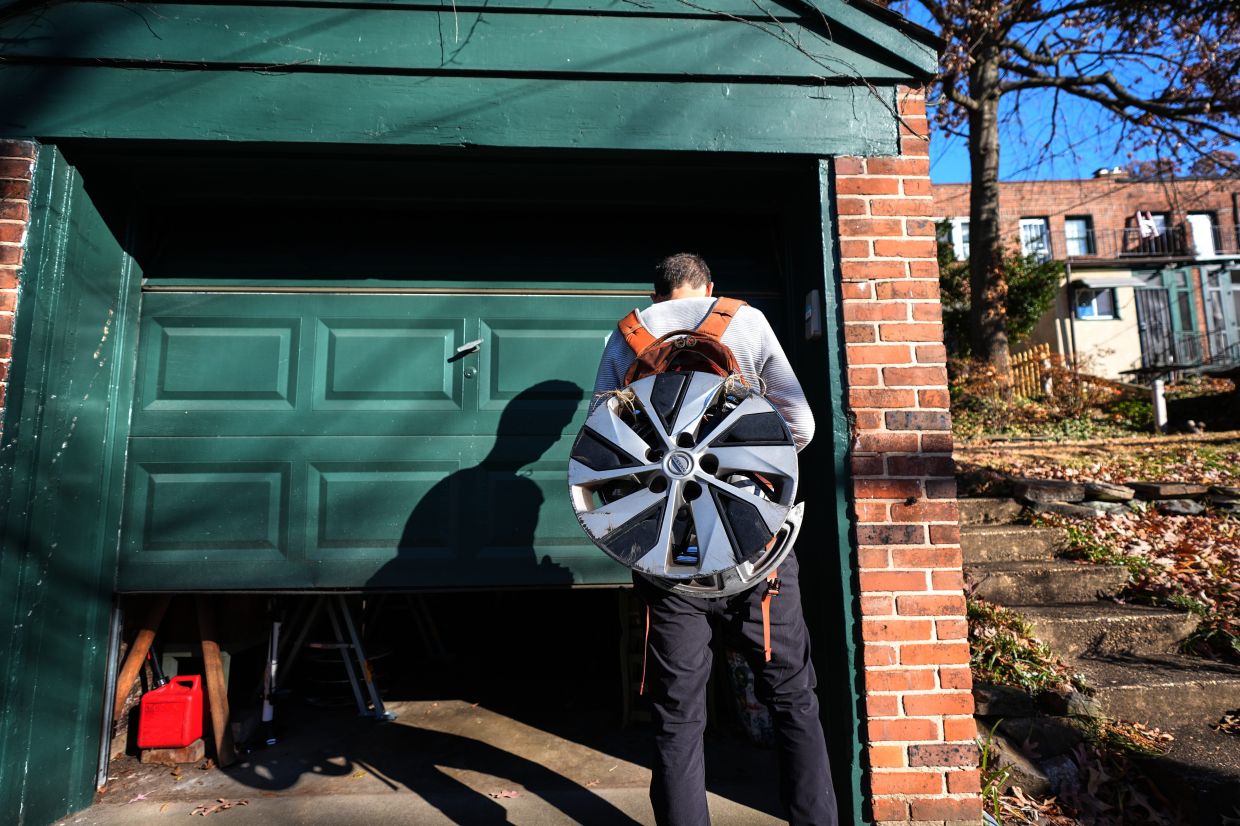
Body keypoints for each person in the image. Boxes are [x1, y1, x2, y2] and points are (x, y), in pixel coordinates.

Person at [590, 253, 837, 826]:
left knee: (677, 714)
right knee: (793, 697)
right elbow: (800, 424)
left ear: (657, 296)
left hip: (667, 544)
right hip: (753, 539)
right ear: (708, 286)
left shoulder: (627, 332)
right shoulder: (743, 320)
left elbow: (602, 433)